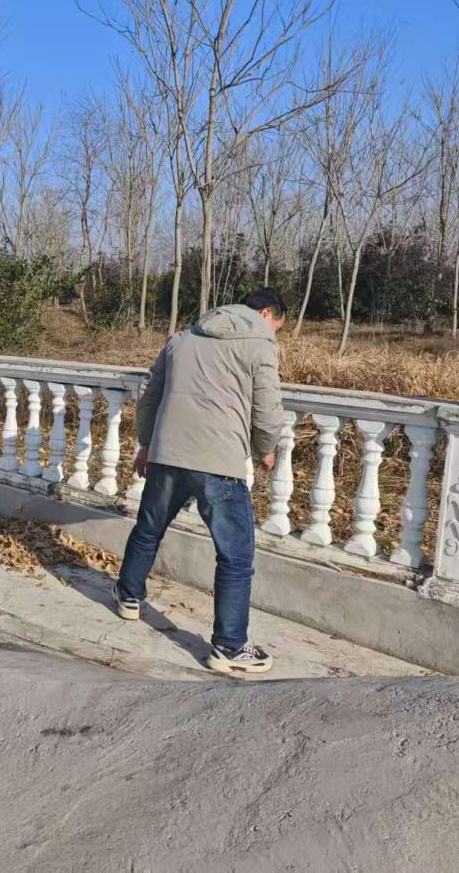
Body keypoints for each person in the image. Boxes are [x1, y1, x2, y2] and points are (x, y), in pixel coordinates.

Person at [113, 288, 287, 674]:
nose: (275, 332)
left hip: (168, 453)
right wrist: (265, 449)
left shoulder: (181, 339)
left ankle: (128, 595)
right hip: (218, 462)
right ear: (266, 313)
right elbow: (268, 410)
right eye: (278, 325)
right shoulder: (260, 343)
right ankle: (230, 645)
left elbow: (150, 396)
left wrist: (146, 444)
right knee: (236, 557)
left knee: (149, 529)